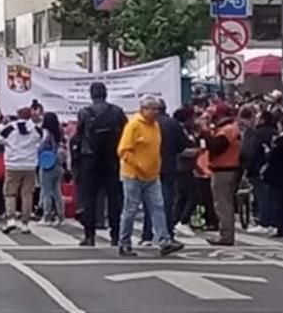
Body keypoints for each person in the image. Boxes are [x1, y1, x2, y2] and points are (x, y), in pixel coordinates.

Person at [116, 96, 184, 258]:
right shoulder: (133, 125)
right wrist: (138, 164)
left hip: (152, 175)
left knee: (158, 207)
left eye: (157, 109)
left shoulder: (155, 126)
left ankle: (164, 240)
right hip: (133, 174)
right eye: (152, 109)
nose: (155, 112)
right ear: (143, 109)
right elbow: (124, 150)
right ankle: (124, 243)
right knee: (130, 209)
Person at [73, 82, 127, 247]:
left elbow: (79, 137)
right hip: (112, 158)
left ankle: (89, 235)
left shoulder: (84, 113)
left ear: (91, 94)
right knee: (114, 198)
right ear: (106, 93)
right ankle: (115, 235)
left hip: (90, 158)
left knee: (89, 198)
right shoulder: (117, 111)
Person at [0, 107, 42, 234]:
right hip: (29, 165)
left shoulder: (10, 128)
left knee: (10, 193)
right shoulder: (35, 129)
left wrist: (1, 127)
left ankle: (11, 219)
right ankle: (25, 223)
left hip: (13, 164)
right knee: (27, 194)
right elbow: (41, 139)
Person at [205, 103, 242, 246]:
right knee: (225, 203)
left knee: (222, 204)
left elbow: (216, 148)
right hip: (229, 169)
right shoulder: (231, 129)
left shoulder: (226, 131)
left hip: (224, 169)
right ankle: (226, 234)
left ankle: (226, 235)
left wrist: (207, 135)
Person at [243, 109, 278, 235]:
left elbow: (252, 151)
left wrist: (248, 167)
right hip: (272, 168)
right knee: (271, 196)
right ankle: (273, 222)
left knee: (262, 196)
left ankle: (264, 222)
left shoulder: (258, 134)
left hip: (258, 168)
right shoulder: (274, 132)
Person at [172, 108, 203, 237]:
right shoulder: (180, 131)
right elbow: (182, 150)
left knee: (182, 196)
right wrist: (197, 151)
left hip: (184, 167)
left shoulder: (187, 130)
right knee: (193, 195)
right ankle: (183, 221)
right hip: (182, 167)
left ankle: (175, 220)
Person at [38, 112, 65, 225]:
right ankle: (60, 216)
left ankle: (47, 216)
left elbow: (40, 148)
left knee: (46, 191)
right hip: (58, 165)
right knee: (57, 191)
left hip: (47, 164)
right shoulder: (59, 133)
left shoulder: (46, 135)